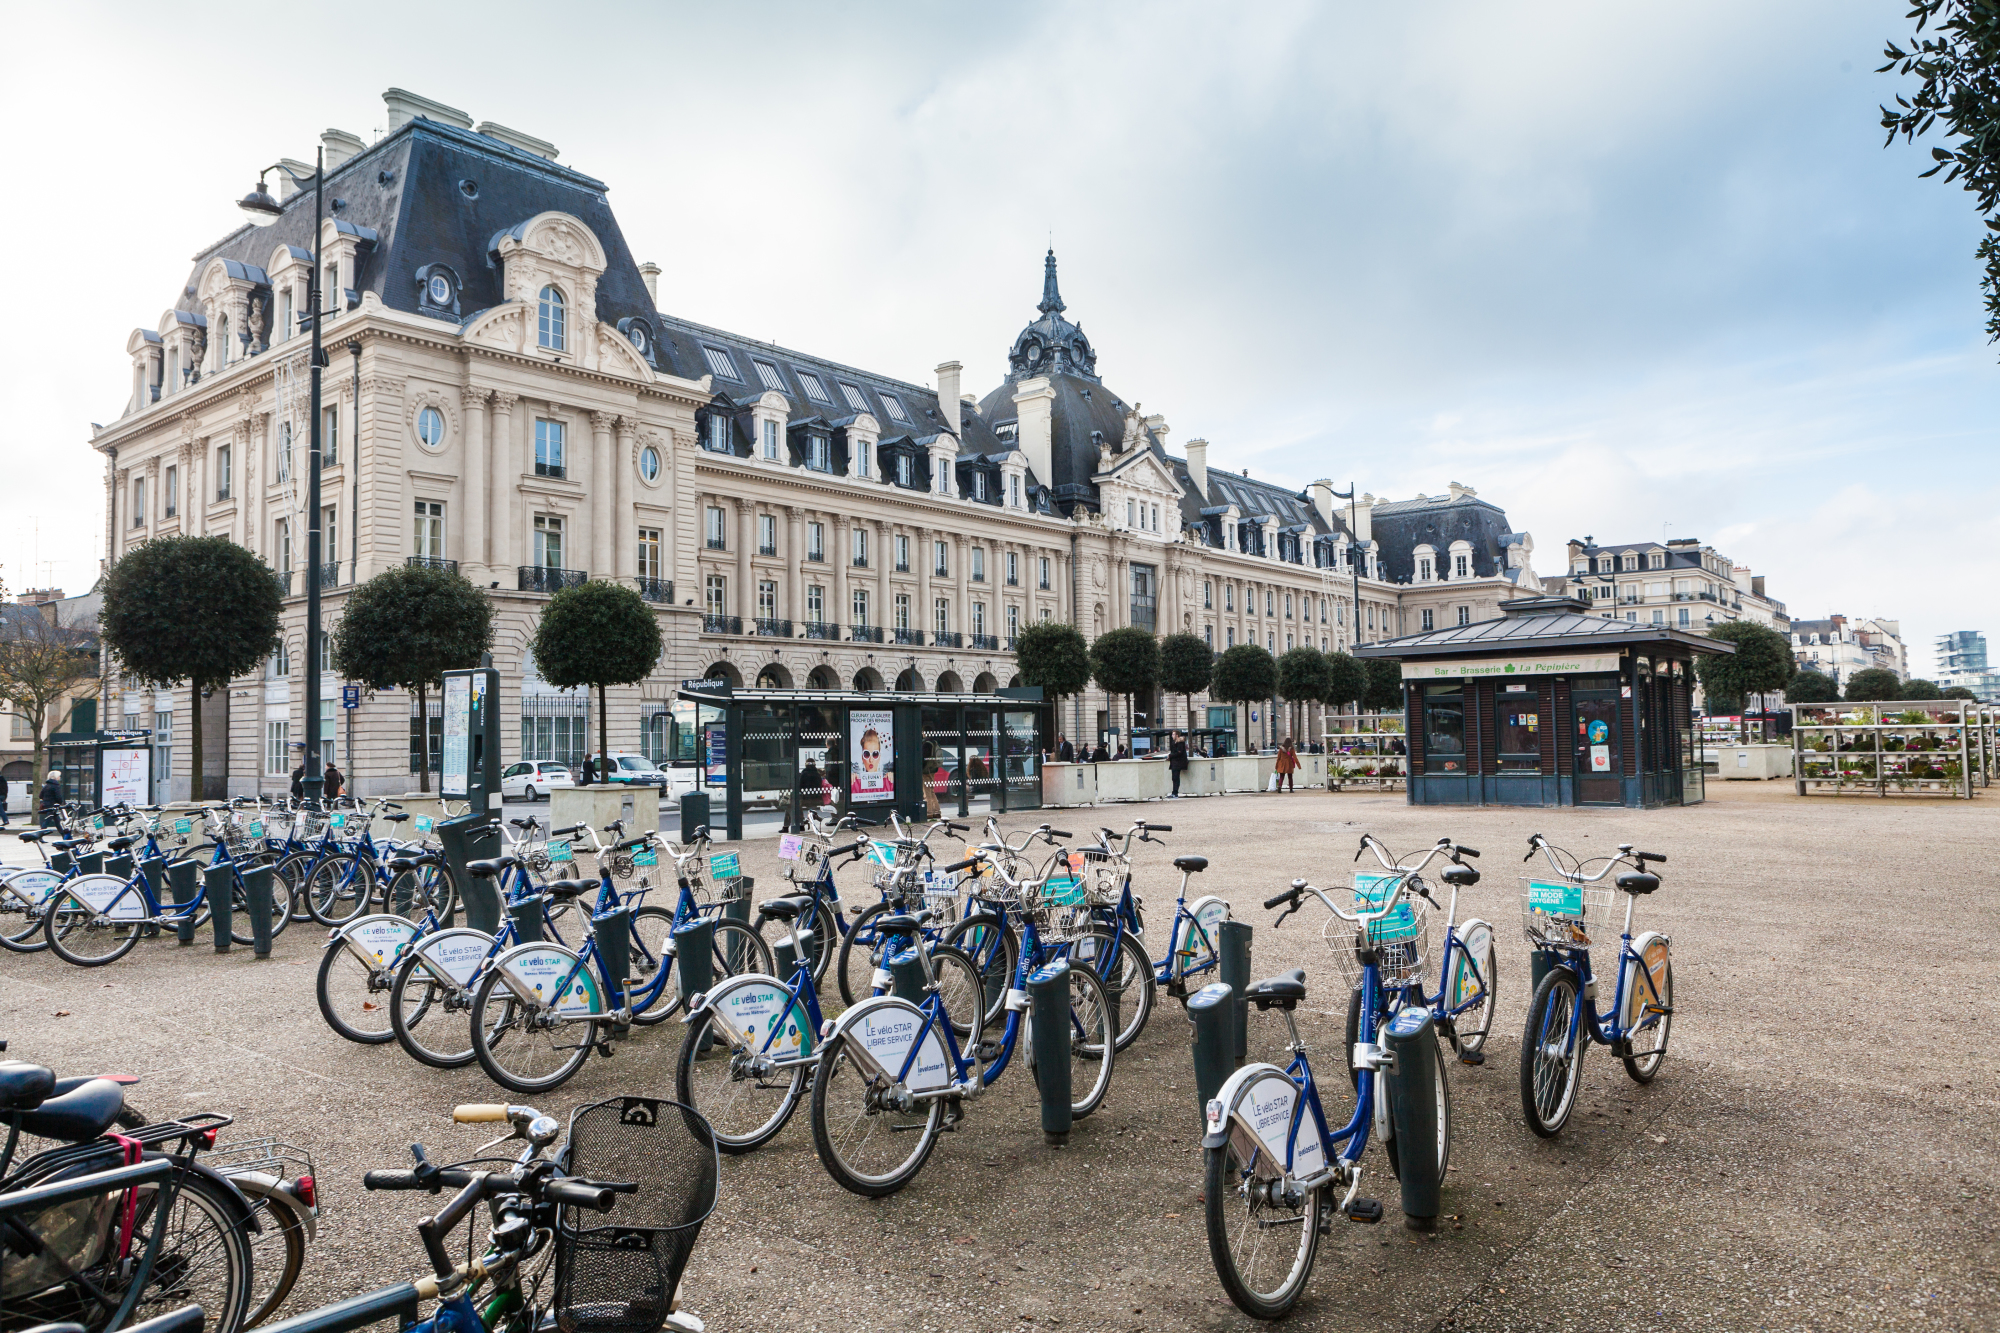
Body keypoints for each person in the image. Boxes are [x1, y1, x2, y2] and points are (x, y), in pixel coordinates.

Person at [1168, 730, 1189, 798]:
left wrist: (1170, 756)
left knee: (1176, 778)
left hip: (1178, 762)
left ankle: (1175, 793)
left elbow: (1179, 752)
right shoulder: (1176, 743)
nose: (1172, 736)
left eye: (1173, 734)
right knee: (1174, 778)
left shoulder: (1180, 743)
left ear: (1177, 735)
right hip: (1175, 762)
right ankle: (1174, 792)